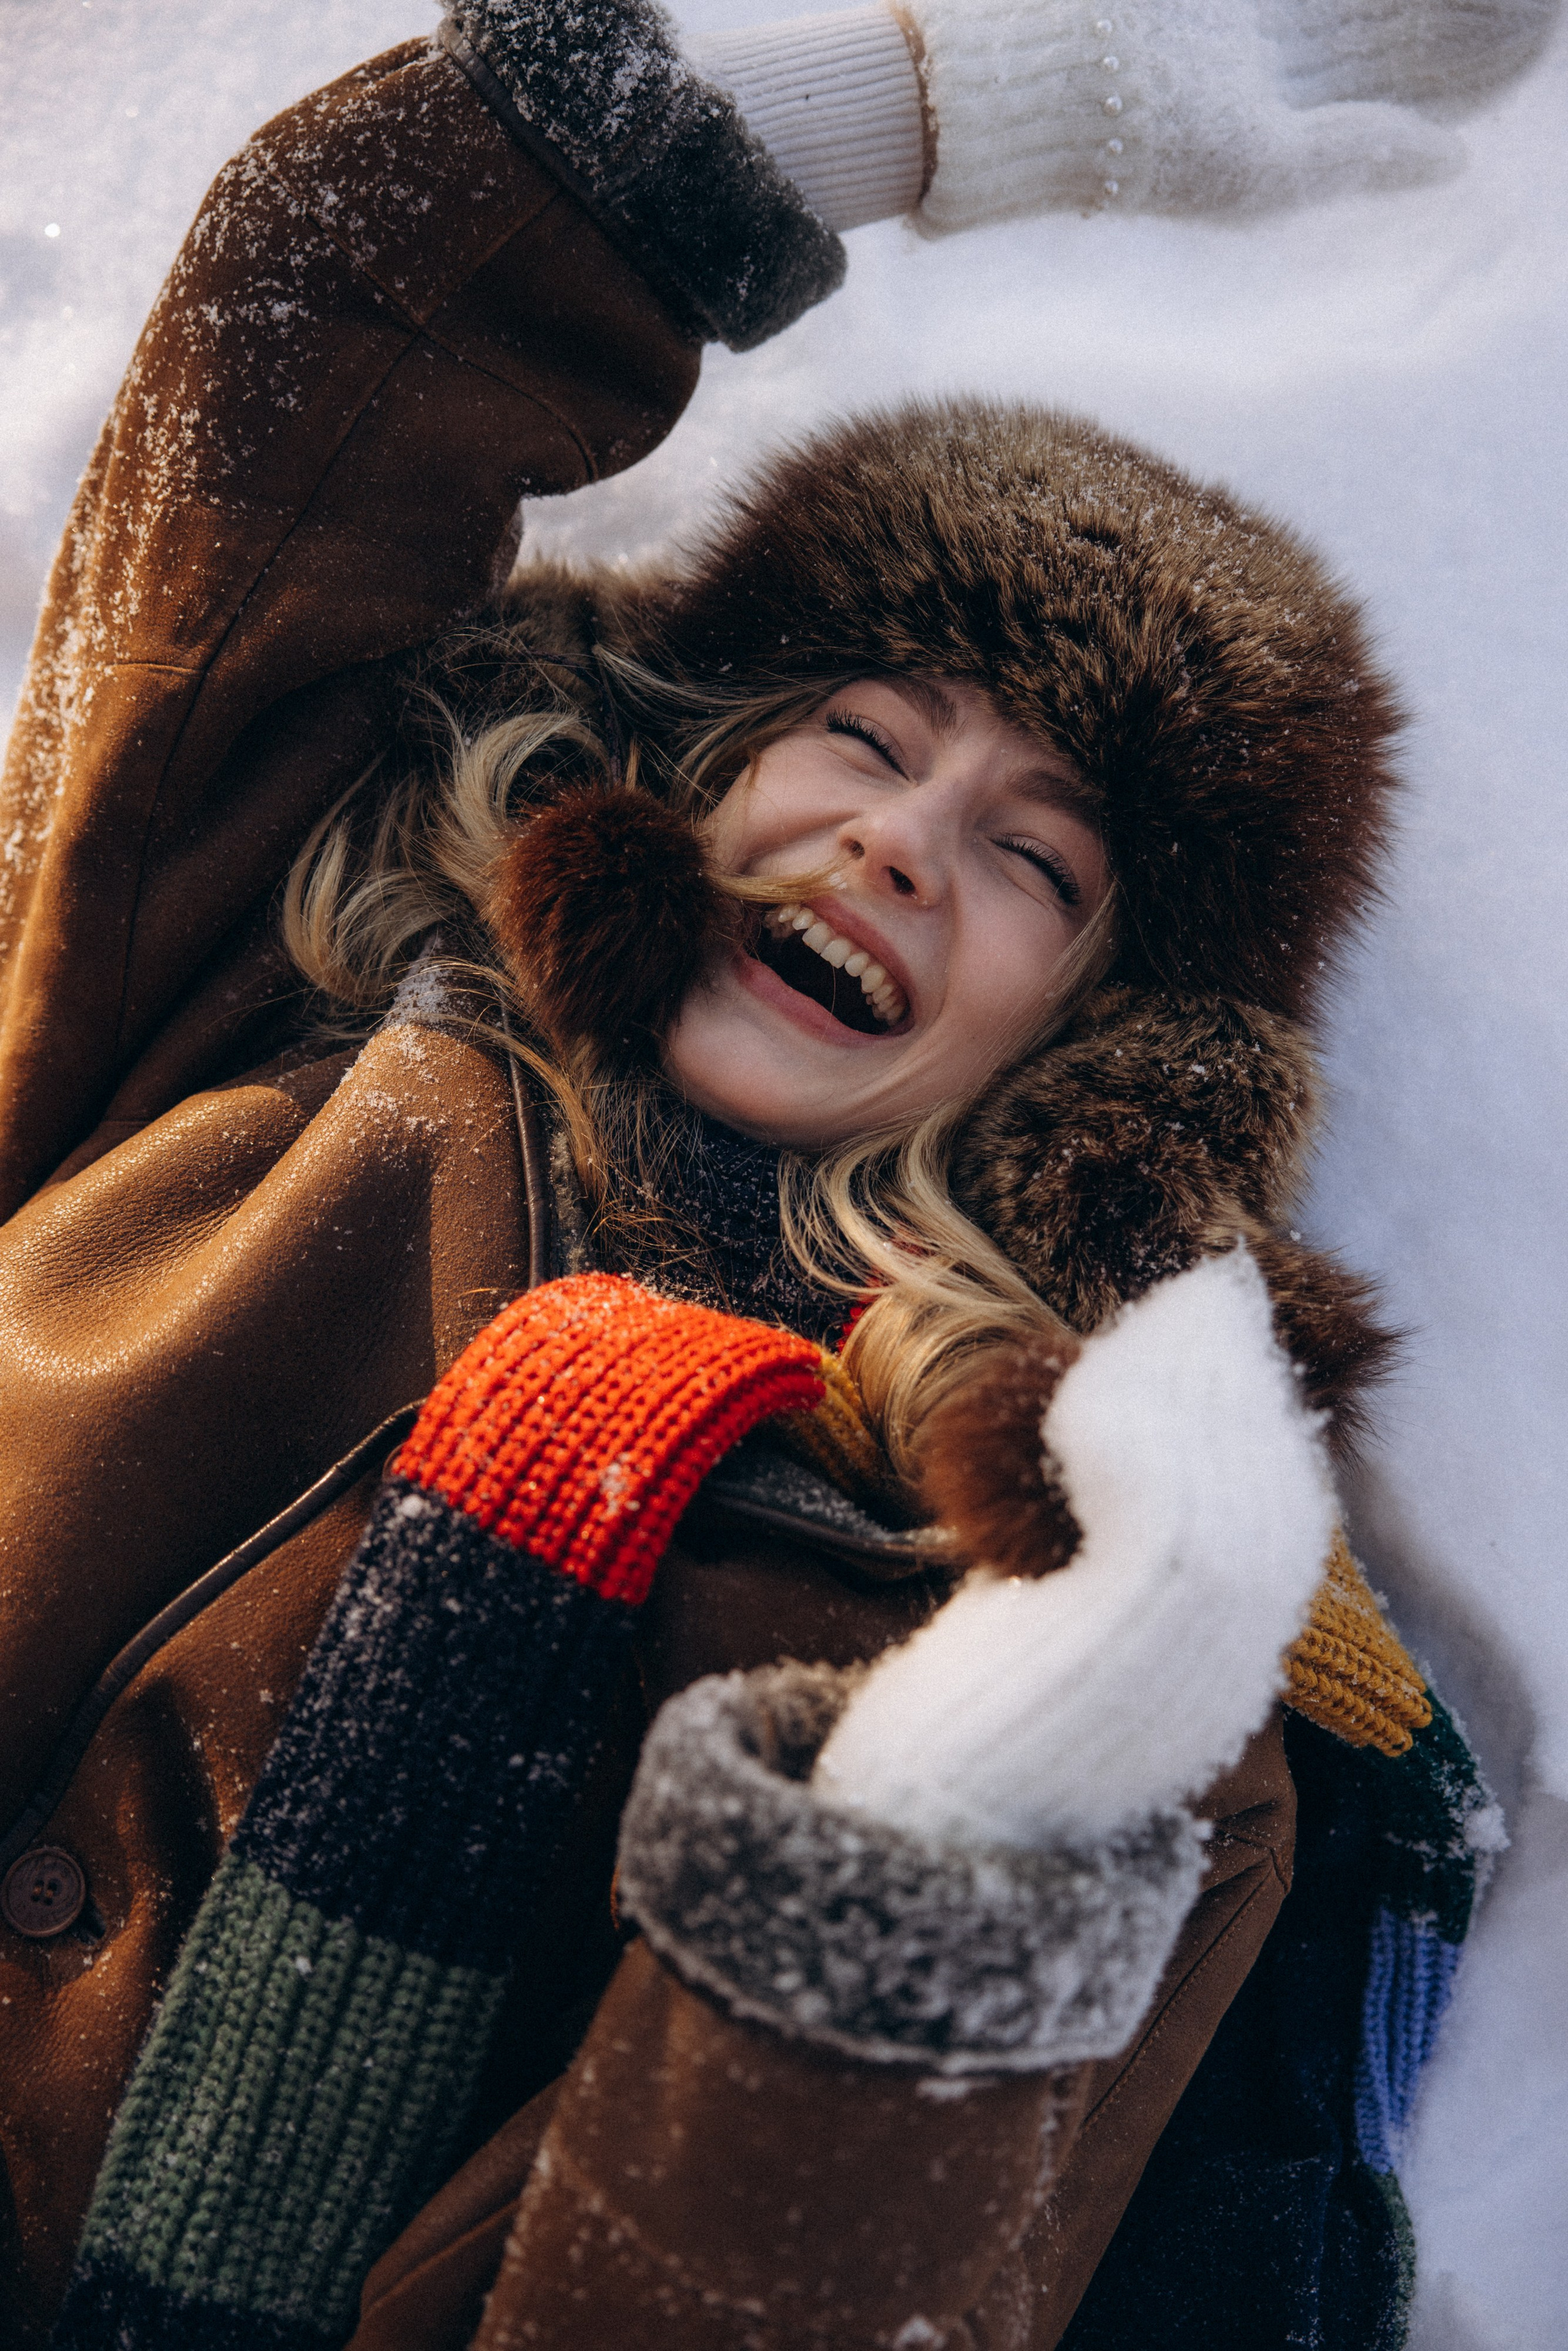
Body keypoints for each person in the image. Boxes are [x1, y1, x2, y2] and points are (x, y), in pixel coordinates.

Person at [0, 0, 1529, 2342]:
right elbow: (312, 301)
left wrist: (1021, 1758)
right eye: (866, 733)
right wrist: (956, 89)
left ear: (1094, 1049)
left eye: (1038, 858)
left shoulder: (1015, 1607)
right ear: (705, 761)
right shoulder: (253, 971)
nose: (902, 843)